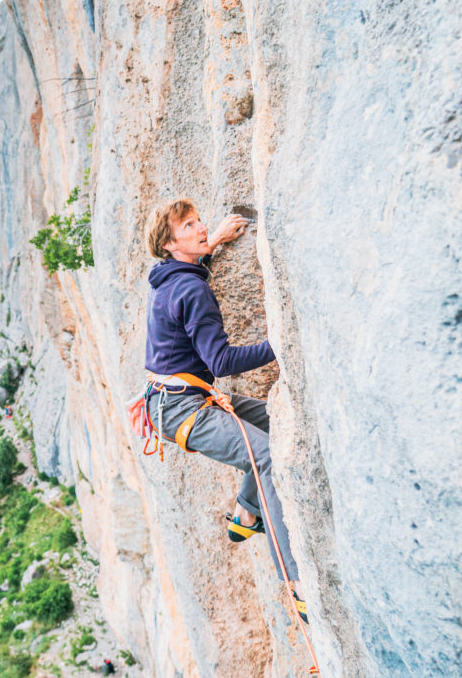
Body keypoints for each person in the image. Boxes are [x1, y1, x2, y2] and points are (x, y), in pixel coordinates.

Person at [142, 197, 307, 622]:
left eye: (199, 221)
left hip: (178, 398)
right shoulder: (189, 288)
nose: (201, 227)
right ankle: (296, 584)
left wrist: (211, 241)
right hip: (182, 411)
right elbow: (223, 363)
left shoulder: (169, 277)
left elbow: (189, 271)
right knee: (267, 454)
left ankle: (246, 513)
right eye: (190, 226)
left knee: (274, 419)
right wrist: (280, 344)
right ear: (169, 244)